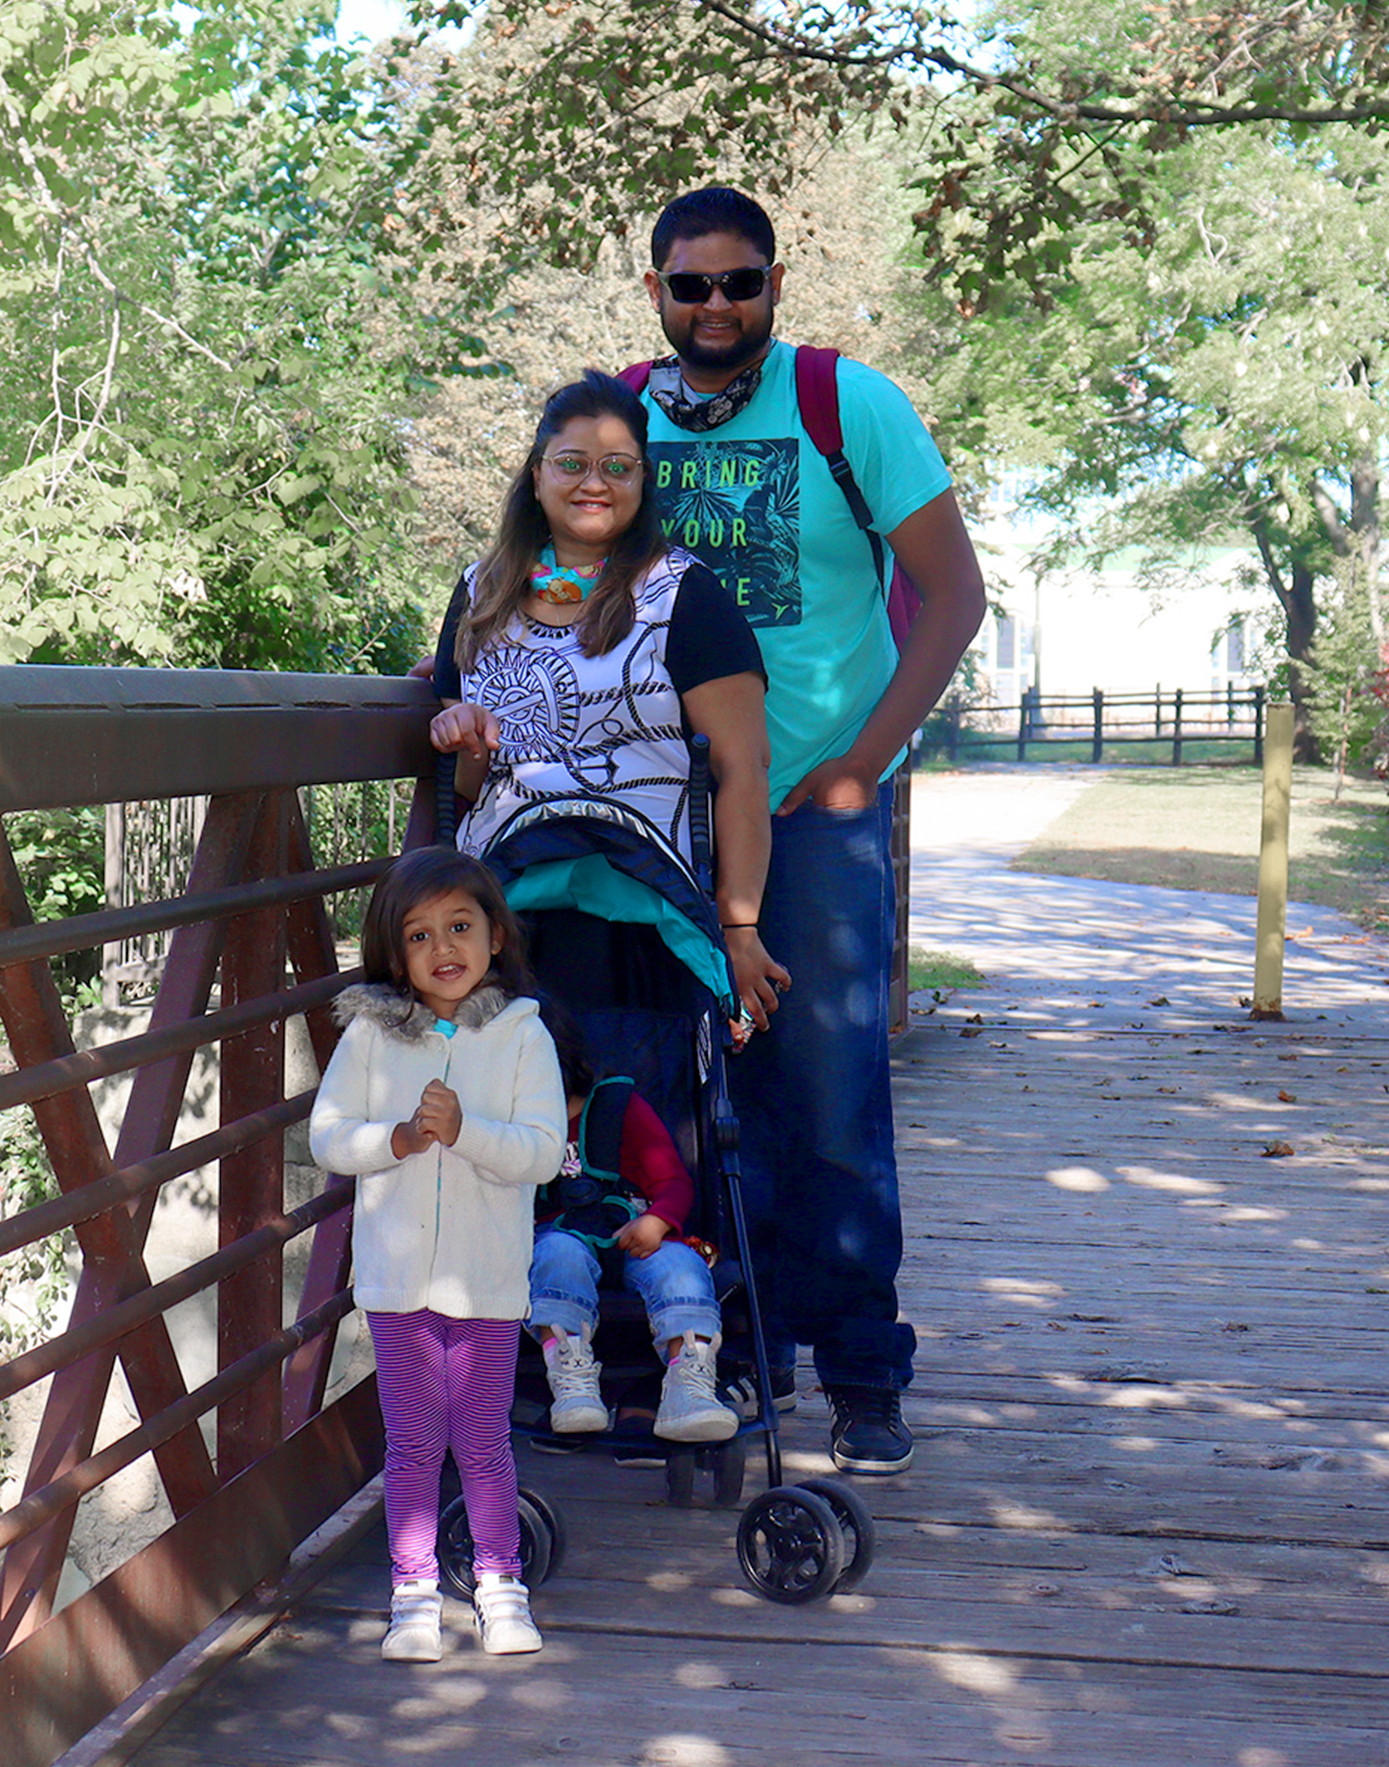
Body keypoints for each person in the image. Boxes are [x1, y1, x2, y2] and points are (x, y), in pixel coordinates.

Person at [626, 185, 987, 1476]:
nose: (715, 305)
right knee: (662, 1093)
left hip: (809, 820)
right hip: (652, 819)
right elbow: (551, 579)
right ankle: (712, 1355)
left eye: (740, 282)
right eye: (690, 285)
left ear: (776, 284)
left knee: (825, 1096)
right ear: (656, 292)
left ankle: (859, 1372)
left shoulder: (851, 406)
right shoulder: (618, 416)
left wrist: (860, 766)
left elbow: (954, 595)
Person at [422, 373, 785, 1447]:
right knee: (506, 1118)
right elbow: (468, 784)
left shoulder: (684, 594)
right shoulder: (484, 590)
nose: (593, 481)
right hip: (510, 911)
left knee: (656, 1115)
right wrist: (467, 743)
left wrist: (741, 926)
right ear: (535, 472)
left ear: (643, 481)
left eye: (618, 464)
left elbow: (743, 771)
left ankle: (685, 1348)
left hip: (643, 907)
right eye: (571, 460)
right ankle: (527, 1344)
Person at [307, 848, 563, 1663]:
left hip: (486, 1282)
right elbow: (328, 1136)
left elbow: (542, 1151)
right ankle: (412, 1594)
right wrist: (400, 1138)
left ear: (495, 934)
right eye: (419, 935)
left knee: (482, 1439)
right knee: (413, 1442)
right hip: (395, 1283)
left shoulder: (525, 1037)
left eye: (460, 926)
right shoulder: (372, 1038)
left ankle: (500, 1585)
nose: (443, 948)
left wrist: (466, 1134)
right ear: (395, 955)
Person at [526, 1064, 731, 1441]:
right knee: (555, 1255)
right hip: (561, 1233)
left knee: (681, 1267)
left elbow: (672, 1181)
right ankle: (571, 1379)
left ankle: (689, 1382)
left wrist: (658, 1220)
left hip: (640, 1229)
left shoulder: (620, 1107)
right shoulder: (514, 1123)